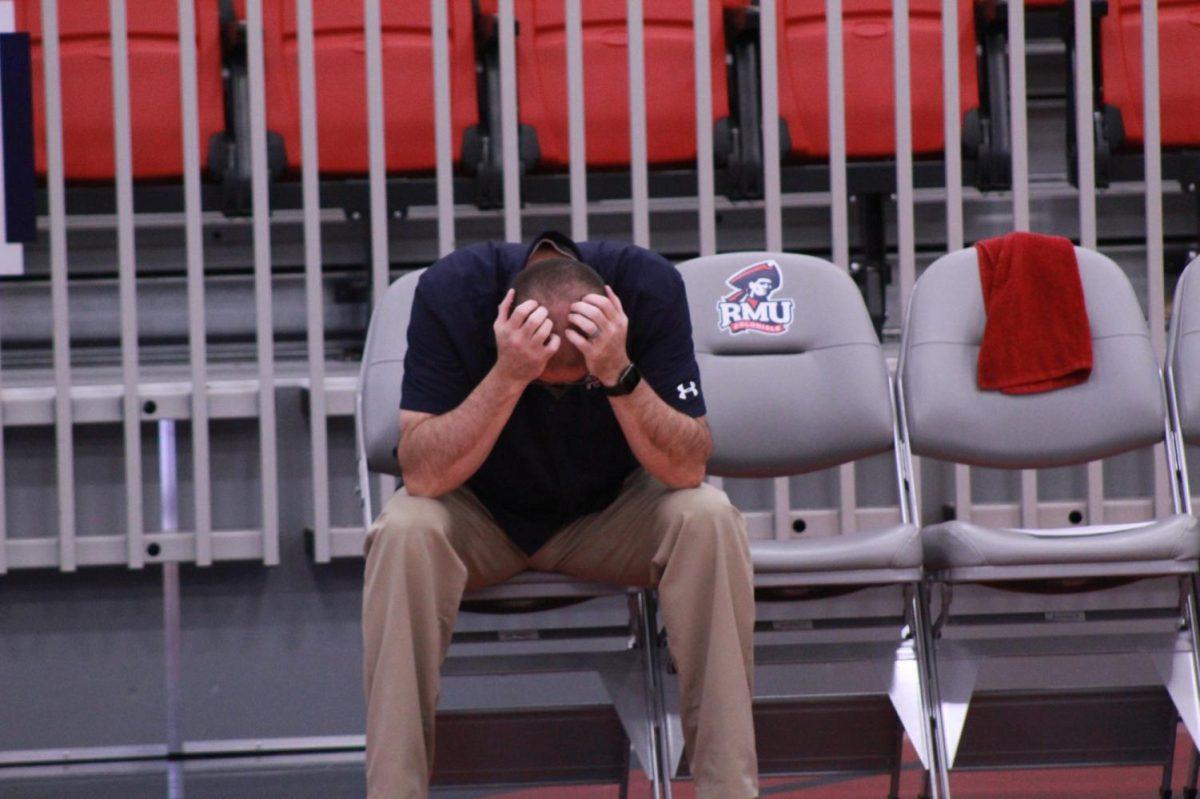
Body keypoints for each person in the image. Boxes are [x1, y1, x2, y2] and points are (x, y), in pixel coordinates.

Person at [362, 231, 758, 799]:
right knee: (403, 530)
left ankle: (729, 792)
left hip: (612, 514)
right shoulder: (451, 292)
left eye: (580, 383)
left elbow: (687, 468)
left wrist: (618, 371)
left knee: (710, 517)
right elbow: (422, 475)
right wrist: (509, 375)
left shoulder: (649, 287)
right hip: (478, 515)